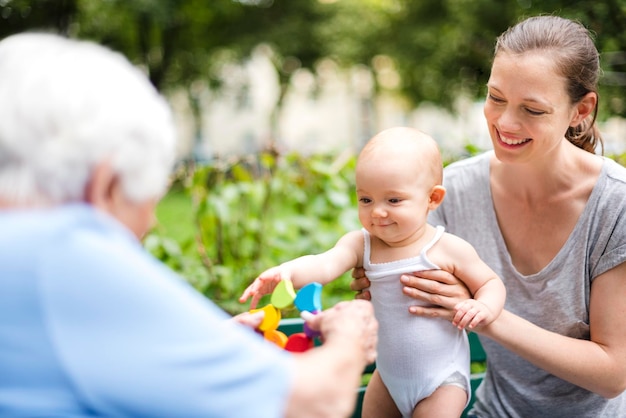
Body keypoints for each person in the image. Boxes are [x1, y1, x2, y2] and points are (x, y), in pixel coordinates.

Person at [0, 32, 379, 418]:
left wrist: (210, 349)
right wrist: (350, 337)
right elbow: (310, 404)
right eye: (147, 202)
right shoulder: (61, 252)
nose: (148, 226)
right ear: (106, 184)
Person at [351, 15, 626, 417]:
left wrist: (483, 314)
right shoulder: (453, 192)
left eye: (532, 109)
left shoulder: (614, 205)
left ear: (581, 110)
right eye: (496, 98)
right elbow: (386, 257)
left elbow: (613, 372)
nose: (505, 123)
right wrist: (377, 277)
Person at [240, 127, 506, 418]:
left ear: (432, 199)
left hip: (441, 381)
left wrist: (481, 306)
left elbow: (491, 283)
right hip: (388, 379)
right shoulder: (361, 244)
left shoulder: (447, 249)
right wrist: (284, 272)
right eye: (366, 200)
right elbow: (324, 264)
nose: (377, 211)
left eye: (393, 200)